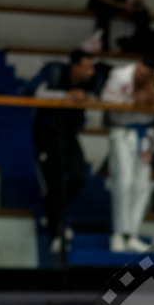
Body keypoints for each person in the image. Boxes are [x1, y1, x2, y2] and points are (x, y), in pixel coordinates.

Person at [23, 49, 104, 252]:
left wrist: (85, 95)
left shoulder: (92, 80)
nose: (91, 72)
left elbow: (101, 93)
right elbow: (29, 90)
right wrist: (65, 95)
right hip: (47, 133)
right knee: (53, 184)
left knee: (79, 175)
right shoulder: (54, 72)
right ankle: (56, 235)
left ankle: (54, 212)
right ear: (74, 67)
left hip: (68, 134)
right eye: (86, 67)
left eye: (92, 67)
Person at [101, 55, 154, 253]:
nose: (141, 74)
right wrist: (132, 100)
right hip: (122, 132)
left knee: (142, 185)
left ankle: (132, 234)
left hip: (146, 135)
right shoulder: (120, 75)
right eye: (140, 69)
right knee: (123, 182)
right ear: (138, 63)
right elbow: (105, 100)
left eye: (146, 73)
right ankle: (119, 233)